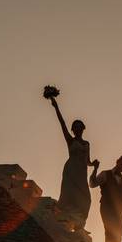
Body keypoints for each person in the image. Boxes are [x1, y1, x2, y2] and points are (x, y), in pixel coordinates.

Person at [49, 97, 96, 230]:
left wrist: (94, 165)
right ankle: (65, 217)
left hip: (81, 173)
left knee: (86, 198)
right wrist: (56, 107)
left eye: (79, 127)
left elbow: (88, 161)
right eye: (75, 127)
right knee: (68, 194)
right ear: (72, 130)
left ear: (83, 129)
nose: (77, 129)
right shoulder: (70, 140)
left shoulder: (87, 143)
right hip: (70, 170)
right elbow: (62, 123)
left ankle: (79, 221)